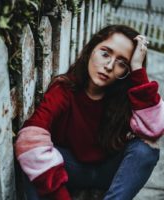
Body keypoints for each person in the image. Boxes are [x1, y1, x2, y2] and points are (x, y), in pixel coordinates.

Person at [15, 25, 164, 200]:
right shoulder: (65, 89)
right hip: (71, 168)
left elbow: (154, 128)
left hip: (108, 171)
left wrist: (138, 68)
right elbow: (28, 139)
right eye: (105, 53)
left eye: (121, 63)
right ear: (91, 50)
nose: (109, 66)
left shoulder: (124, 98)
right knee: (31, 159)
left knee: (146, 149)